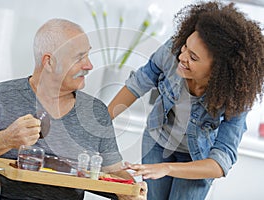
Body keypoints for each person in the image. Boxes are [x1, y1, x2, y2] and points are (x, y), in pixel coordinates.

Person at [0, 18, 147, 200]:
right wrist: (5, 139)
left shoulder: (96, 112)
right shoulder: (1, 97)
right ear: (49, 62)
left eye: (88, 55)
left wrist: (131, 190)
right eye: (79, 57)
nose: (89, 65)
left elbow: (113, 173)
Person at [108, 1, 264, 200]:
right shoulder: (173, 51)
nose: (181, 57)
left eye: (193, 57)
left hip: (198, 159)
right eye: (185, 47)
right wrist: (104, 119)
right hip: (159, 141)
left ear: (218, 70)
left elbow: (220, 163)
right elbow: (140, 81)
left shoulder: (235, 96)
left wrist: (167, 168)